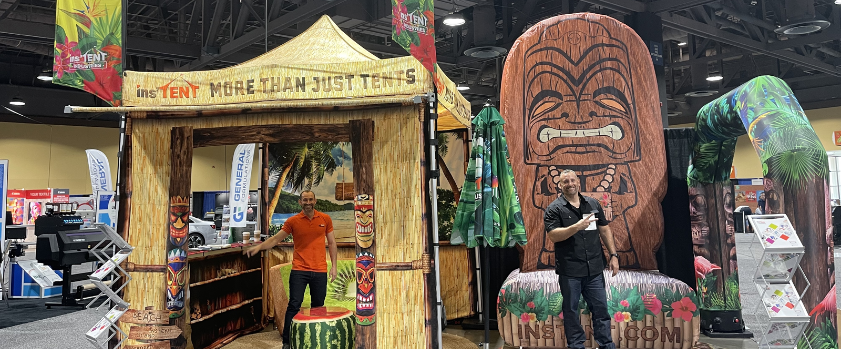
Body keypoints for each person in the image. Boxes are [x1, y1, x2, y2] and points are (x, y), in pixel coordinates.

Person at [245, 190, 337, 348]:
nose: (308, 202)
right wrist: (258, 247)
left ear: (315, 201)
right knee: (294, 305)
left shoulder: (325, 219)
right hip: (299, 270)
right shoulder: (293, 221)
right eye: (304, 200)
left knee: (318, 306)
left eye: (310, 199)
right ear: (300, 202)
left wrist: (334, 266)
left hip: (320, 270)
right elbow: (275, 238)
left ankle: (315, 339)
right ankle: (287, 341)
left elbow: (332, 243)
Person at [544, 169, 619, 349]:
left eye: (572, 180)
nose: (570, 184)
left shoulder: (592, 204)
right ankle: (576, 346)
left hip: (594, 269)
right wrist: (576, 227)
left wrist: (613, 255)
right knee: (570, 312)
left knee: (601, 311)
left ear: (578, 182)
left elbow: (604, 229)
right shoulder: (554, 209)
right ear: (560, 185)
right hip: (570, 271)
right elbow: (553, 235)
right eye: (565, 182)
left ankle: (606, 345)